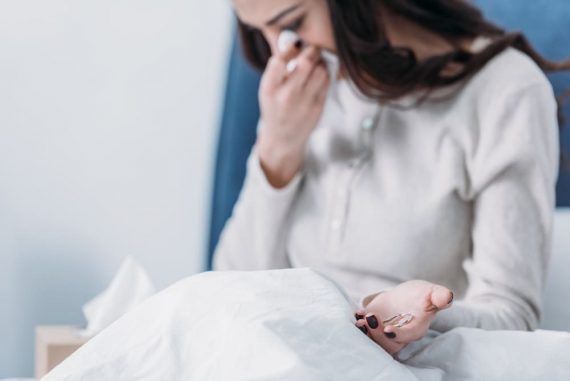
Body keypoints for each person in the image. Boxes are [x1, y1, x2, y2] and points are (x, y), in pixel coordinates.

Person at [213, 0, 570, 355]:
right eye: (257, 31)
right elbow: (225, 289)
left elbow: (513, 319)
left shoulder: (506, 92)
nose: (280, 51)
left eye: (293, 22)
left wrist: (418, 317)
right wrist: (278, 150)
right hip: (273, 355)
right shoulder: (299, 88)